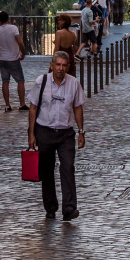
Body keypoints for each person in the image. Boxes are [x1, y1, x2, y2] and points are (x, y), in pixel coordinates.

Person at [27, 51, 86, 220]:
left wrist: (81, 131)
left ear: (68, 67)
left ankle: (69, 208)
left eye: (64, 65)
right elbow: (32, 107)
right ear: (52, 65)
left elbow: (78, 107)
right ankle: (50, 206)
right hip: (44, 131)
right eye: (57, 65)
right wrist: (31, 134)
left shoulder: (74, 83)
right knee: (46, 170)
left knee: (68, 167)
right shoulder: (42, 82)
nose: (60, 68)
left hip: (65, 134)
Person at [0, 11, 27, 112]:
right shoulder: (13, 28)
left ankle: (7, 105)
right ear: (8, 19)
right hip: (13, 59)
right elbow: (20, 42)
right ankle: (22, 104)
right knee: (20, 81)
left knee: (5, 82)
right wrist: (23, 52)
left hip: (2, 59)